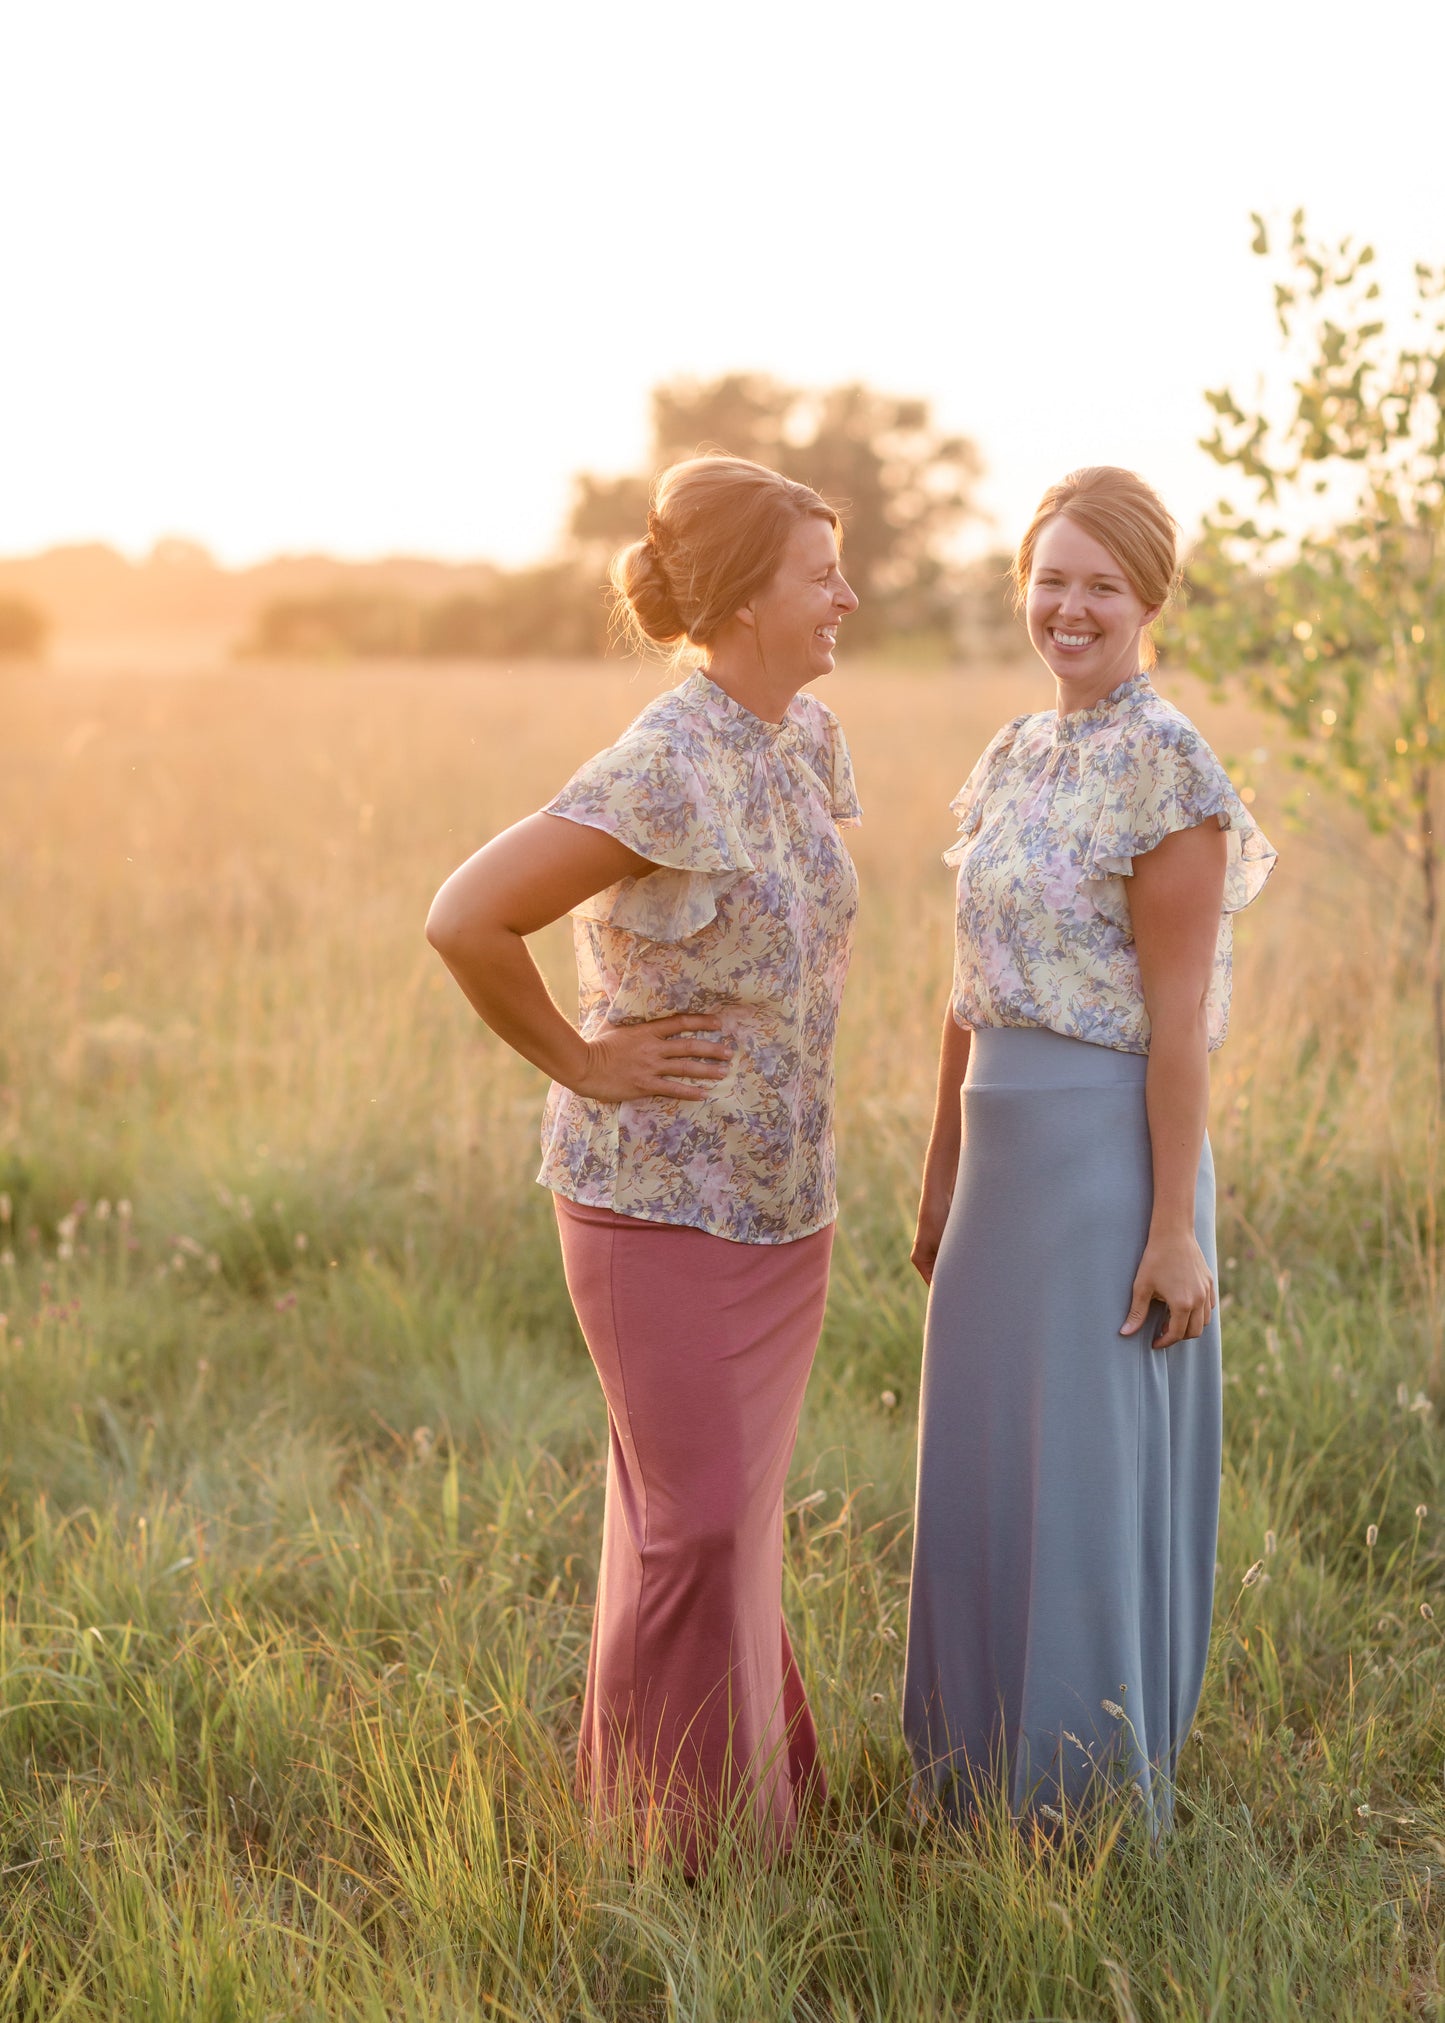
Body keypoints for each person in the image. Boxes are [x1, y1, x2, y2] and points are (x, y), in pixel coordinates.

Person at [425, 454, 861, 1870]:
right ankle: (672, 1856)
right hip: (656, 1205)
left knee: (723, 1524)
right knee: (693, 1534)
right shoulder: (661, 762)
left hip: (781, 1205)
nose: (845, 595)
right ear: (742, 599)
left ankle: (744, 1809)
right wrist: (584, 1058)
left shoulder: (803, 741)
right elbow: (466, 916)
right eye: (819, 575)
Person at [903, 466, 1276, 1835]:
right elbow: (965, 980)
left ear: (1147, 602)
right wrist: (938, 1167)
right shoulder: (1008, 755)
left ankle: (1081, 1801)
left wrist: (1171, 1223)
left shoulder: (1170, 771)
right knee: (987, 1461)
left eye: (1098, 587)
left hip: (1103, 1161)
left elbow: (1178, 1023)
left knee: (1080, 1472)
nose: (1068, 608)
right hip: (995, 1168)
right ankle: (965, 1781)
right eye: (1049, 580)